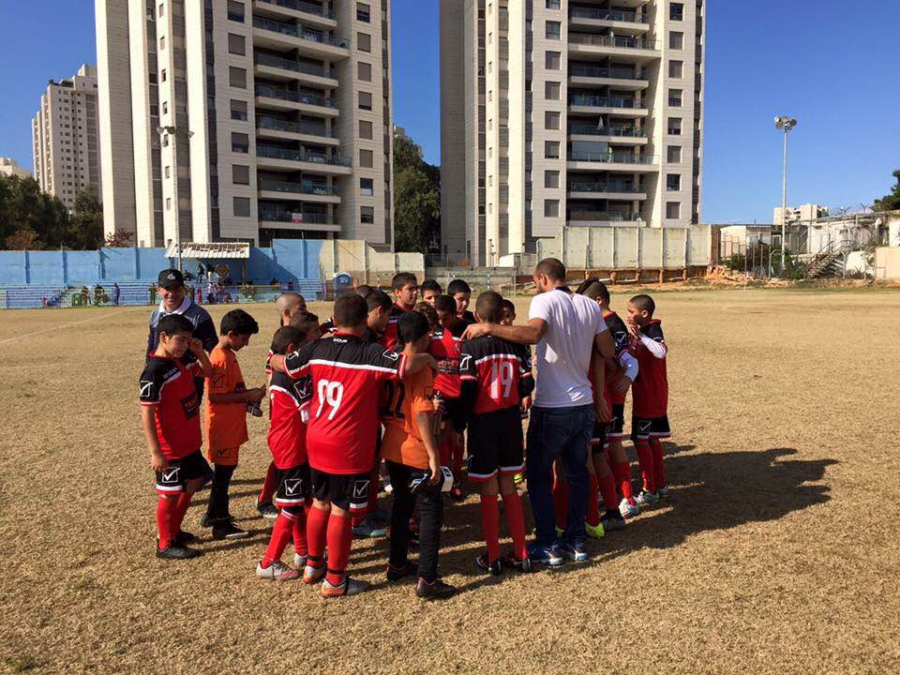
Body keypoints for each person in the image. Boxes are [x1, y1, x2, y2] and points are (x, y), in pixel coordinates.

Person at [463, 259, 614, 567]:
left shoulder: (544, 300)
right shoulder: (588, 305)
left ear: (543, 279)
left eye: (535, 281)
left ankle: (547, 543)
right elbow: (608, 349)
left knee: (539, 476)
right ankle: (576, 541)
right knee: (578, 474)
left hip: (553, 405)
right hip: (582, 403)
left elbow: (533, 335)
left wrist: (489, 327)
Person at [269, 294, 414, 598]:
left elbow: (285, 363)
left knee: (320, 502)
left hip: (317, 441)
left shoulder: (316, 347)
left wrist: (272, 359)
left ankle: (313, 565)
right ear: (363, 322)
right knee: (342, 510)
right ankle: (335, 580)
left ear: (334, 320)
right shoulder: (370, 352)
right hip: (349, 446)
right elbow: (406, 367)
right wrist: (426, 358)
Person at [381, 311, 456, 599]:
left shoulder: (390, 359)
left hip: (392, 444)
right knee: (429, 510)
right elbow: (422, 413)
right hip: (414, 446)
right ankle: (428, 577)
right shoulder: (422, 366)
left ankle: (397, 563)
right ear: (425, 337)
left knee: (401, 505)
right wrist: (434, 455)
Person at [459, 292, 534, 575]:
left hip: (483, 423)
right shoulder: (514, 346)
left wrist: (460, 421)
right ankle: (521, 552)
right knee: (510, 488)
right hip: (510, 421)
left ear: (477, 317)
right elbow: (528, 383)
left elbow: (466, 388)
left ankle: (492, 557)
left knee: (488, 488)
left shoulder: (471, 347)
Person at [140, 314, 213, 559]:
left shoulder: (182, 360)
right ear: (163, 337)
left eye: (187, 341)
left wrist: (199, 350)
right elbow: (147, 414)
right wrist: (156, 452)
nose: (184, 346)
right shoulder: (154, 371)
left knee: (194, 482)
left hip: (189, 443)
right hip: (170, 448)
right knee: (169, 495)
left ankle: (174, 530)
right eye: (181, 341)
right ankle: (165, 544)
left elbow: (208, 372)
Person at [576, 279, 641, 519]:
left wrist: (626, 378)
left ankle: (627, 498)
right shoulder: (603, 322)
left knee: (610, 447)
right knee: (602, 451)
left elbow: (627, 362)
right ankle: (612, 495)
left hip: (608, 398)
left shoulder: (612, 324)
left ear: (597, 302)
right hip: (603, 396)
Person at [256, 325, 316, 581]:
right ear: (292, 351)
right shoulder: (293, 378)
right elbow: (309, 414)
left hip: (286, 443)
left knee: (300, 500)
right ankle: (269, 561)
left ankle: (302, 550)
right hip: (290, 446)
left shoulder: (278, 370)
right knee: (291, 505)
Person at [203, 309, 265, 540]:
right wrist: (250, 395)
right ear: (231, 334)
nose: (246, 343)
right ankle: (221, 524)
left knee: (224, 472)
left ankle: (211, 514)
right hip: (223, 426)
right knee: (222, 476)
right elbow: (216, 397)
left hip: (232, 424)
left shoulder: (228, 354)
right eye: (244, 338)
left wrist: (248, 402)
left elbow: (232, 390)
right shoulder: (220, 357)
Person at [147, 269, 218, 403]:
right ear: (159, 289)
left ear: (183, 289)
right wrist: (149, 370)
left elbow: (213, 349)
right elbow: (152, 345)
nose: (172, 293)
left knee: (188, 417)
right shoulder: (155, 315)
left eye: (177, 288)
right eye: (167, 288)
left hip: (190, 379)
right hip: (162, 378)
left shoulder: (199, 315)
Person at [626, 294, 671, 505]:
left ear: (644, 314)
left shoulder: (652, 330)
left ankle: (649, 488)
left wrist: (640, 338)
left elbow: (661, 352)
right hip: (651, 396)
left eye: (631, 312)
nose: (628, 315)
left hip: (649, 398)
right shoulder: (642, 332)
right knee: (652, 439)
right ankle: (660, 485)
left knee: (641, 440)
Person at [431, 295, 468, 500]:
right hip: (441, 393)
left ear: (455, 314)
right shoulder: (433, 331)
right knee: (442, 434)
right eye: (439, 318)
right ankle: (447, 479)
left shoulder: (466, 330)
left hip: (460, 393)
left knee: (458, 437)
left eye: (445, 318)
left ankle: (457, 474)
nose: (442, 323)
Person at [383, 272, 419, 348]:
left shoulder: (418, 313)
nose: (415, 292)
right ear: (397, 292)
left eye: (416, 288)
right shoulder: (388, 314)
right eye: (410, 289)